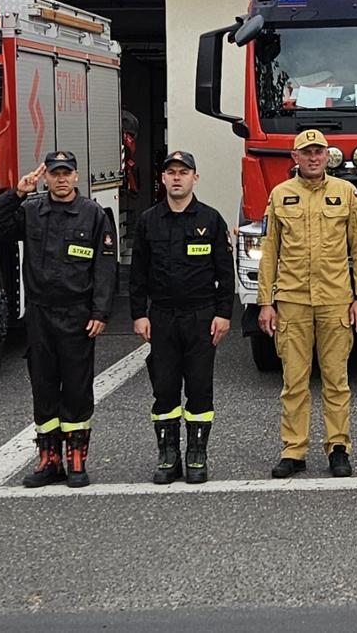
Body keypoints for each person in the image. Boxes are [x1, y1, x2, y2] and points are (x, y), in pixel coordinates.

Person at [0, 150, 117, 489]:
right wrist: (17, 194)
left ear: (76, 176)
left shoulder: (92, 215)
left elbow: (104, 267)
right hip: (41, 315)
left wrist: (100, 312)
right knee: (43, 388)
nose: (60, 179)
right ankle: (49, 459)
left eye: (66, 173)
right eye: (54, 173)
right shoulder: (31, 210)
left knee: (76, 388)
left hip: (77, 315)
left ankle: (76, 460)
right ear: (46, 177)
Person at [257, 129, 357, 478]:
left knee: (337, 379)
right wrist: (266, 302)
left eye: (318, 152)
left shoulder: (346, 193)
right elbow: (269, 253)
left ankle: (338, 447)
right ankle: (294, 449)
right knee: (294, 380)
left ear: (327, 156)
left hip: (336, 301)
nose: (312, 158)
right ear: (294, 158)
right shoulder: (280, 196)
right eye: (305, 152)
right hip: (291, 301)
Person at [128, 150, 233, 485]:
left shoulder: (211, 219)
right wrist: (138, 315)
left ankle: (196, 454)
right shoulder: (149, 221)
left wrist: (224, 314)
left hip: (201, 317)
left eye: (183, 172)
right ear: (163, 179)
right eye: (171, 172)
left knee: (200, 389)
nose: (177, 178)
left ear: (195, 178)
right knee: (165, 390)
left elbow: (224, 271)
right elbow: (137, 273)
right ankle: (168, 456)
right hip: (161, 318)